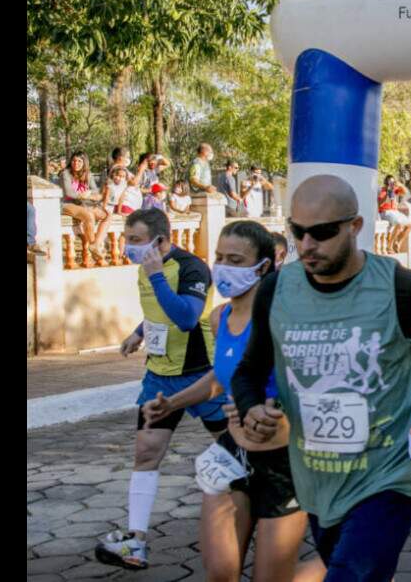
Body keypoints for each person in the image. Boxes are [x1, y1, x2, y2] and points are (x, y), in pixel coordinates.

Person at [231, 175, 411, 580]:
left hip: (389, 475)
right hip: (317, 479)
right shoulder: (277, 289)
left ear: (355, 226)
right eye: (298, 232)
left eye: (323, 233)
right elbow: (248, 371)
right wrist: (251, 408)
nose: (307, 245)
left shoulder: (401, 286)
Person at [139, 223, 307, 582]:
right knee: (220, 572)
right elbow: (220, 378)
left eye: (235, 259)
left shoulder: (286, 317)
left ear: (262, 267)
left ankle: (357, 569)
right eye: (218, 257)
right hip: (233, 452)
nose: (222, 266)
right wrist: (172, 403)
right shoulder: (220, 318)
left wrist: (273, 410)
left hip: (284, 459)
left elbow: (310, 382)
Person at [96, 209, 226, 570]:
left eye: (135, 240)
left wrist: (156, 277)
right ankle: (136, 542)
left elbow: (186, 317)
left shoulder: (192, 268)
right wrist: (139, 332)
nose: (128, 247)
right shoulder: (147, 268)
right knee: (146, 452)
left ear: (159, 239)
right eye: (127, 239)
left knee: (235, 447)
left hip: (201, 376)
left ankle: (267, 512)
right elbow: (158, 309)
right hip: (158, 377)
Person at [60, 151, 112, 266]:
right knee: (88, 216)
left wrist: (88, 195)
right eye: (74, 160)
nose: (76, 163)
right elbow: (69, 193)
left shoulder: (88, 175)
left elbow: (95, 191)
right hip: (68, 204)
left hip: (85, 203)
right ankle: (95, 250)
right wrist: (84, 195)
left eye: (79, 161)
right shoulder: (65, 174)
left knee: (107, 215)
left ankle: (95, 245)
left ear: (84, 163)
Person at [378, 175, 411, 255]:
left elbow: (407, 193)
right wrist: (387, 193)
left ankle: (398, 242)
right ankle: (389, 246)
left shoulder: (395, 190)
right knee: (399, 223)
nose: (391, 184)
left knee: (410, 225)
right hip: (386, 211)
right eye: (390, 182)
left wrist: (399, 184)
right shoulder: (383, 191)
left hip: (395, 212)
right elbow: (379, 204)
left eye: (393, 182)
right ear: (386, 183)